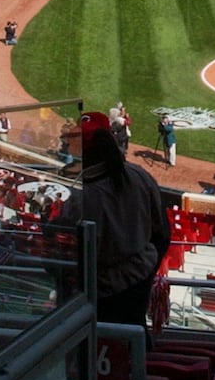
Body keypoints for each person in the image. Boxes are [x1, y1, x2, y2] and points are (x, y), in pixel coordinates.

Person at [60, 111, 171, 331]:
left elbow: (73, 257)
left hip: (101, 293)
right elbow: (163, 233)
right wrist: (146, 269)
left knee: (105, 351)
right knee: (136, 340)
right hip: (139, 279)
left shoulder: (82, 196)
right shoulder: (139, 175)